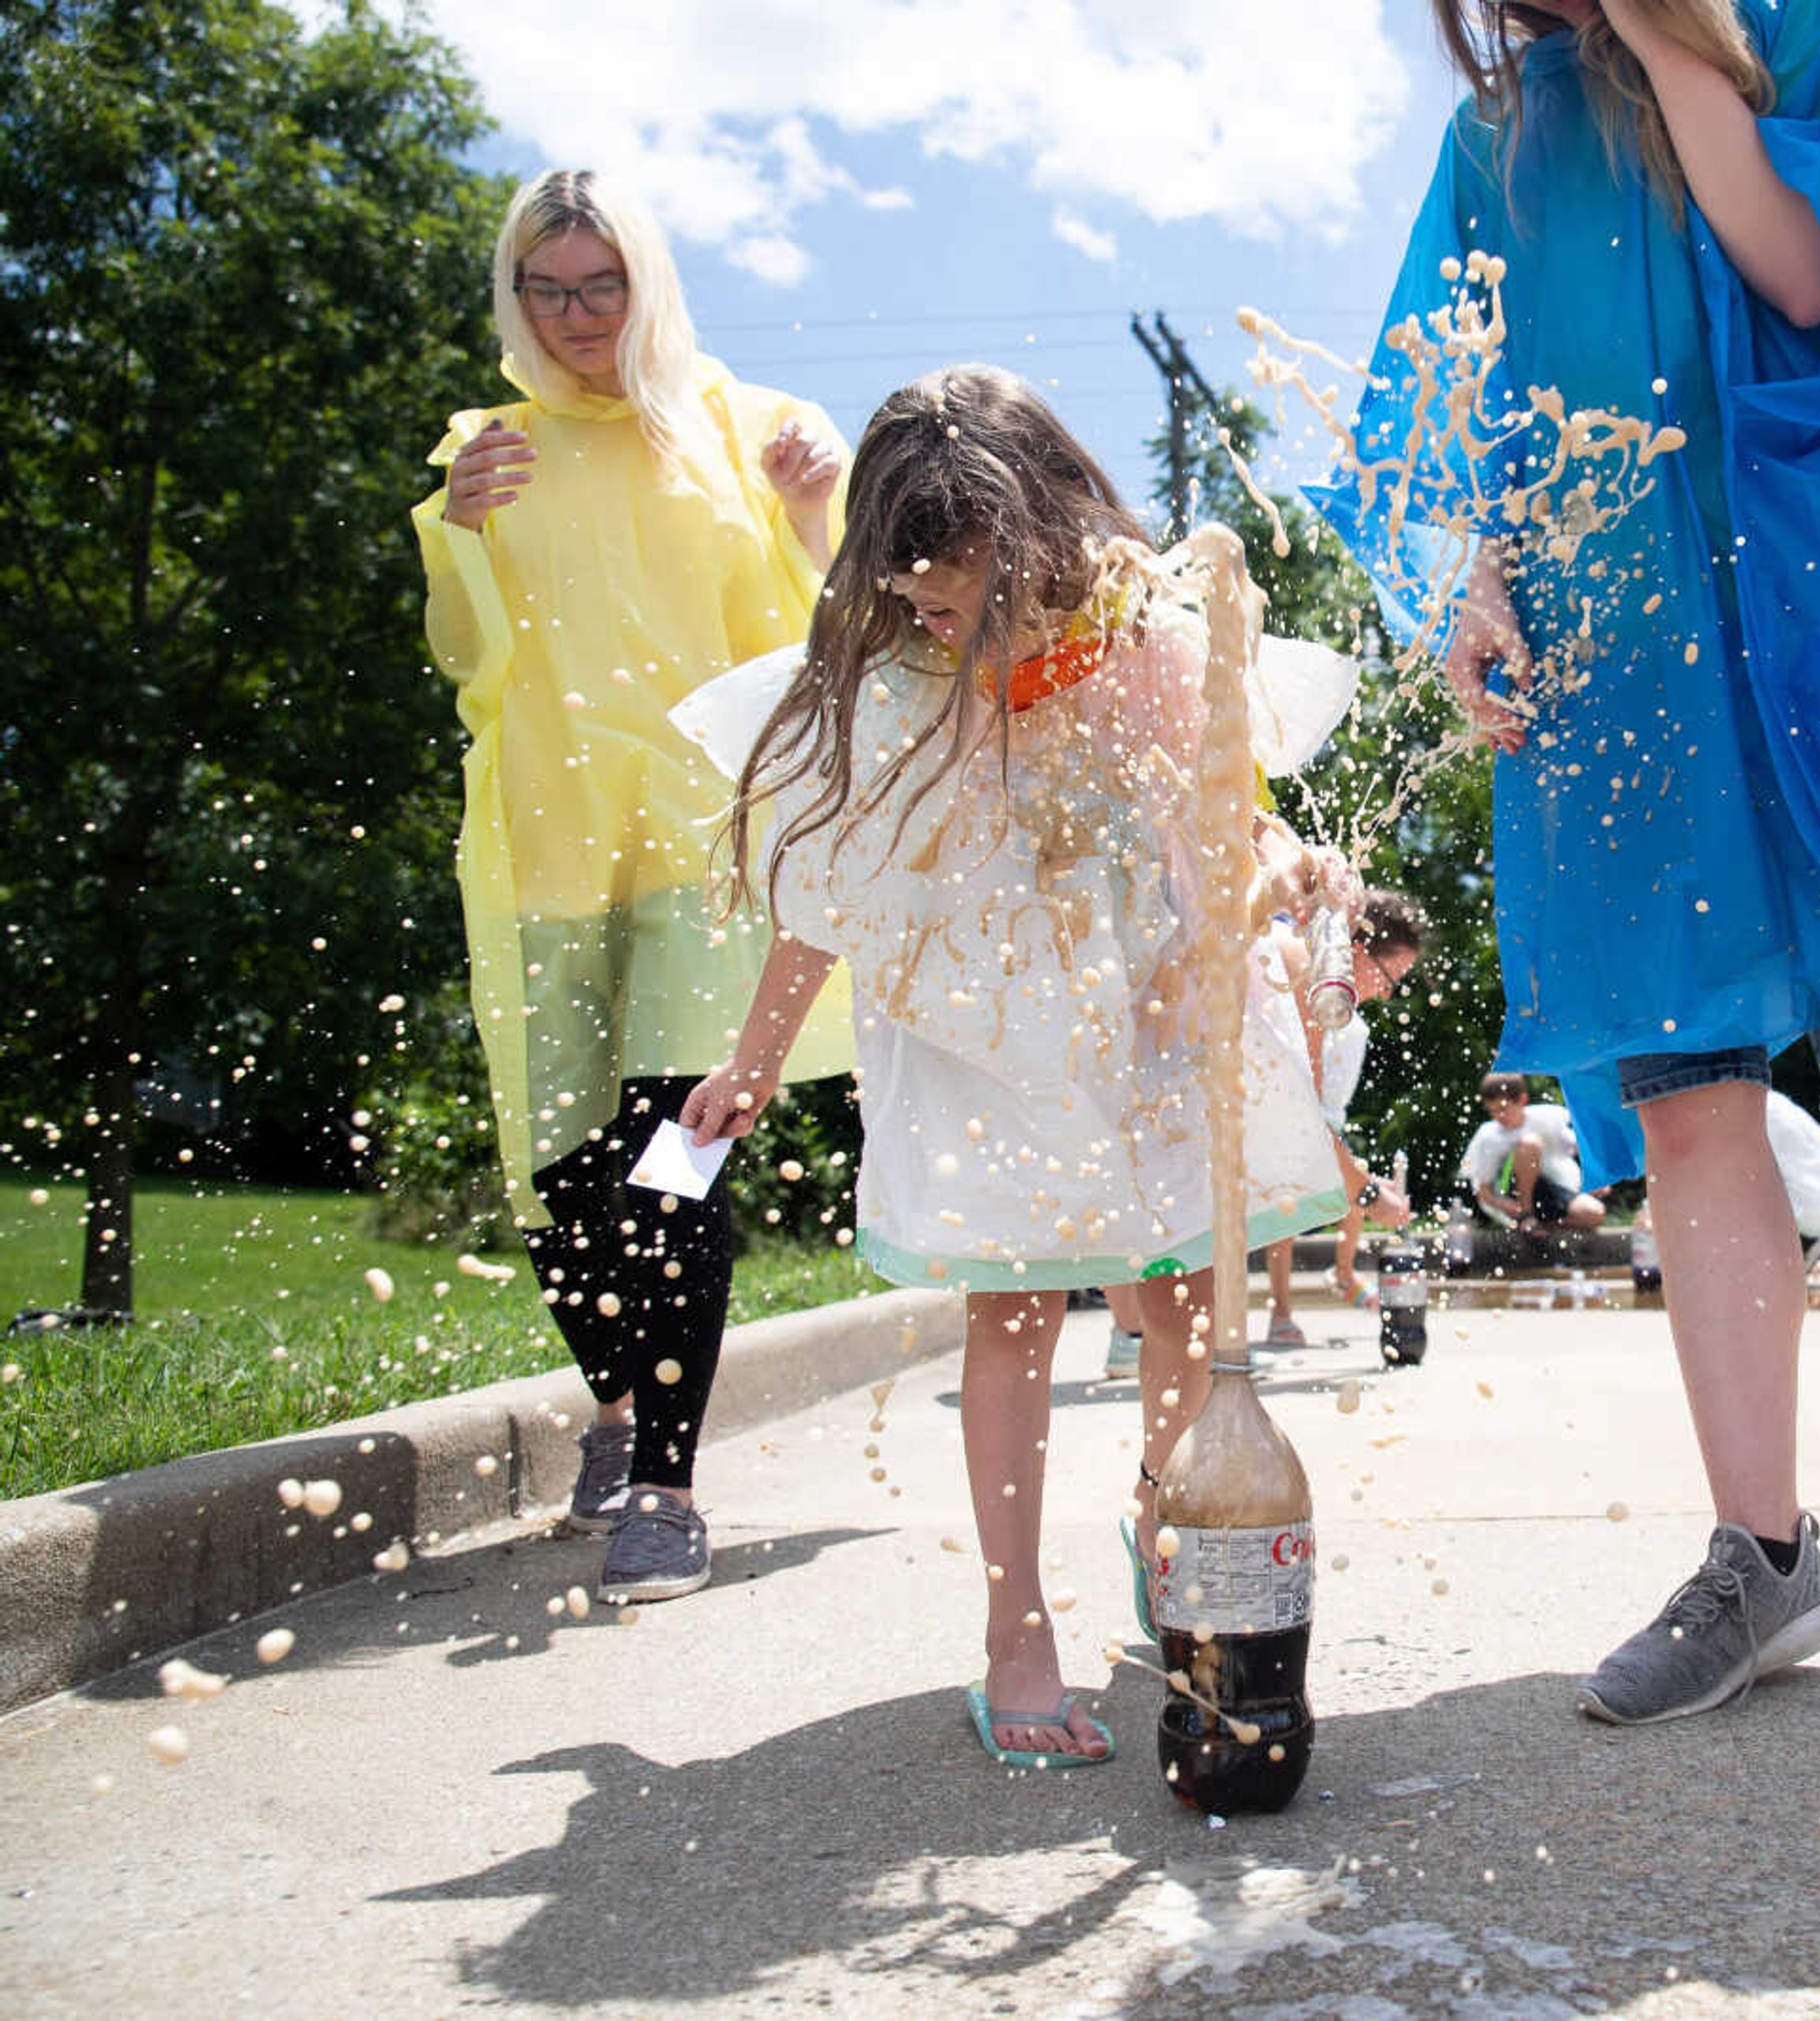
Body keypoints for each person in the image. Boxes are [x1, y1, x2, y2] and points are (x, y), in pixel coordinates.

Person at [1313, 0, 1820, 1726]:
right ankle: (1763, 1551)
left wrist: (1668, 28)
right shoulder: (1499, 135)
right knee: (1687, 1104)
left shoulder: (1809, 24)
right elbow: (1450, 404)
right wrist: (1474, 584)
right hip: (1619, 652)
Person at [674, 365, 1346, 1765]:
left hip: (1139, 1007)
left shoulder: (1142, 634)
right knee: (1019, 1311)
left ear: (1041, 539)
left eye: (959, 588)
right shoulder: (893, 680)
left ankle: (1174, 1519)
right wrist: (750, 1058)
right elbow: (829, 882)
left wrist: (1286, 873)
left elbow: (1230, 815)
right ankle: (1016, 1628)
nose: (933, 615)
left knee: (1171, 1290)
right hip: (980, 1026)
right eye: (909, 591)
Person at [410, 170, 856, 1607]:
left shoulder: (741, 431)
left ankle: (663, 1484)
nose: (580, 316)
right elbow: (467, 662)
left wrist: (814, 511)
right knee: (566, 1180)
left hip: (699, 849)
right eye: (551, 289)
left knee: (676, 1161)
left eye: (604, 285)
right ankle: (614, 1407)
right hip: (549, 843)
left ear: (649, 286)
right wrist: (458, 532)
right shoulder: (489, 449)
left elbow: (822, 630)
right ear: (516, 297)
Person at [1260, 889, 1432, 1345]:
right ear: (1358, 949)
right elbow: (1302, 1120)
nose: (1387, 993)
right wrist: (1373, 1194)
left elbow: (1305, 1114)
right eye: (1389, 977)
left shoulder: (1304, 969)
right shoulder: (1304, 974)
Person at [1460, 1072, 1608, 1240]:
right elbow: (1483, 1191)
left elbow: (1579, 1147)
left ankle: (1540, 1225)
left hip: (1548, 1188)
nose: (1498, 1117)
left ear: (1522, 1100)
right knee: (1530, 1144)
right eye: (1492, 1111)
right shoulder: (1488, 1136)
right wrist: (1504, 1205)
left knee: (1595, 1214)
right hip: (1509, 1193)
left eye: (1502, 1109)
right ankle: (1527, 1216)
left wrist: (1597, 1177)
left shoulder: (1548, 1118)